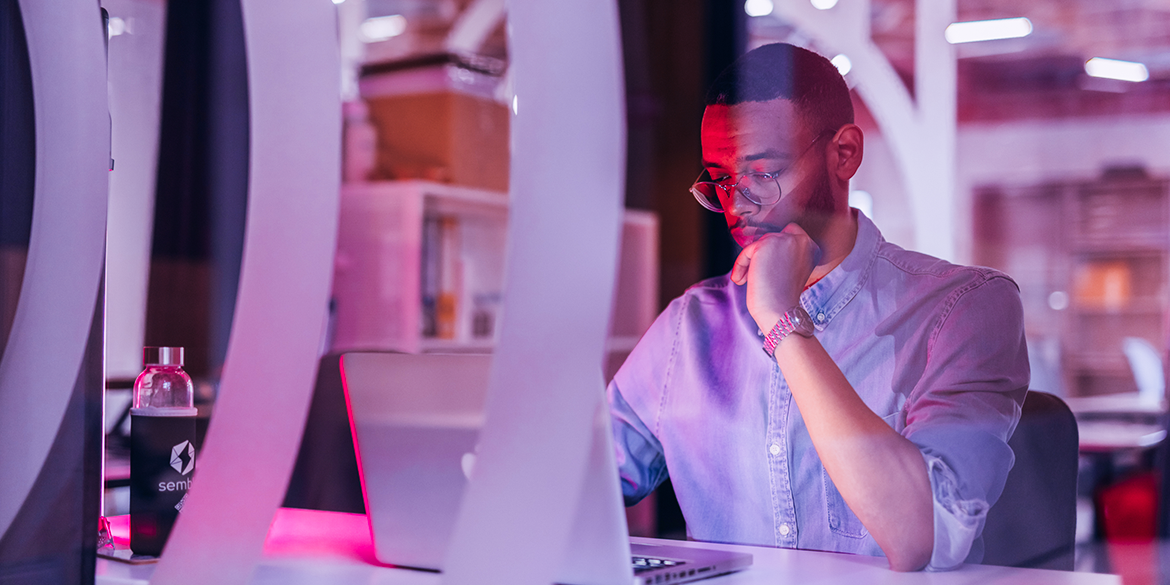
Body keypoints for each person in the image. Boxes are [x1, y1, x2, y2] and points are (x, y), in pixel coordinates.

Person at [607, 43, 1028, 572]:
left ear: (844, 154)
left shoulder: (965, 308)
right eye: (719, 180)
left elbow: (928, 534)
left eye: (762, 174)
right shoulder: (689, 325)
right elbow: (581, 480)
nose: (736, 207)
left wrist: (781, 320)